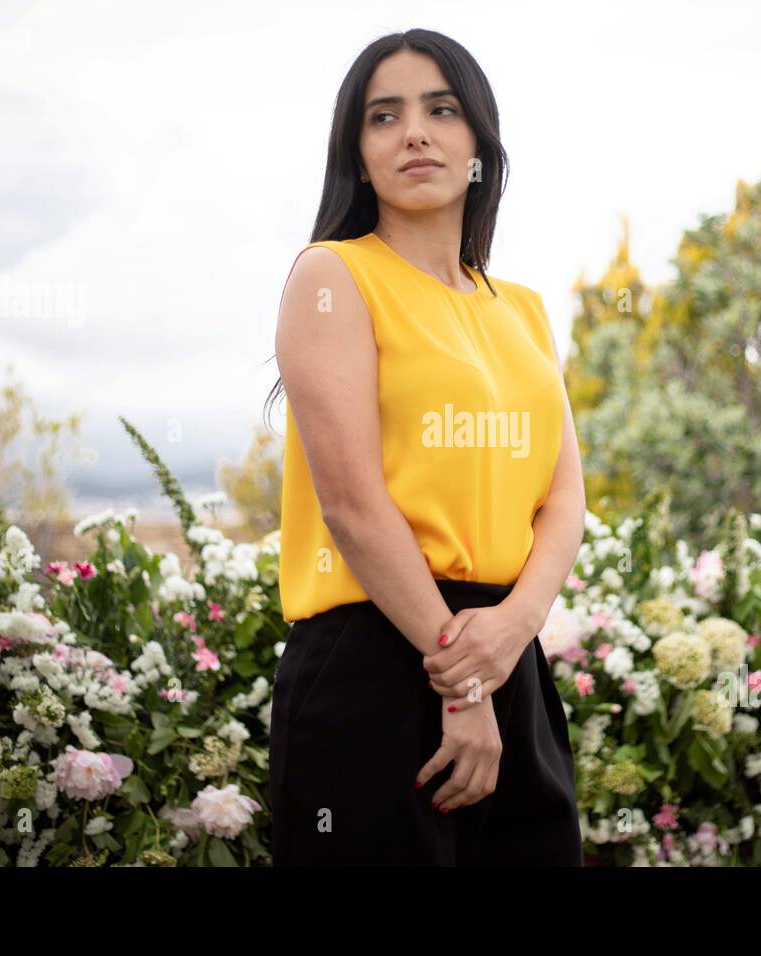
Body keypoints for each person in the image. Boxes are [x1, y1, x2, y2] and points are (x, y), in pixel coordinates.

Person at [263, 28, 585, 866]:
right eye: (384, 115)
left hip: (509, 659)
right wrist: (464, 676)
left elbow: (565, 502)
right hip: (374, 662)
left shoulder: (522, 309)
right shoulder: (333, 277)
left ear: (478, 141)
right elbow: (353, 505)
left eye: (441, 109)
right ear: (357, 152)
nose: (415, 132)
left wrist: (511, 632)